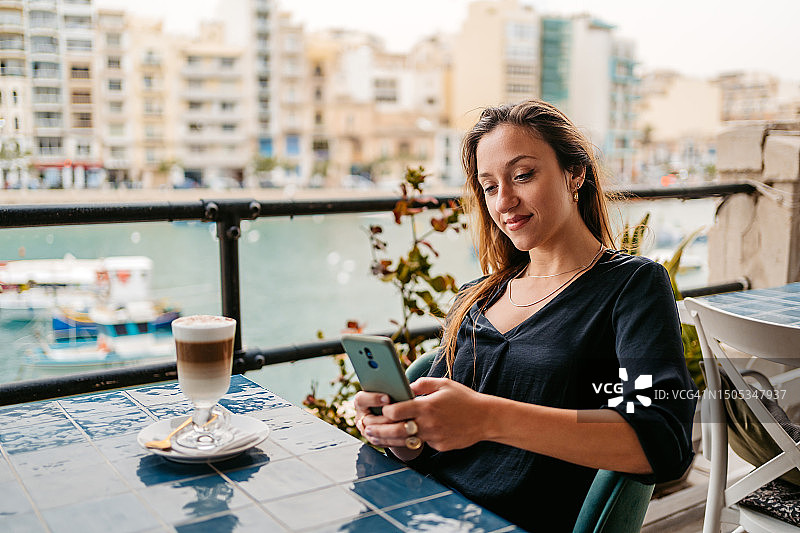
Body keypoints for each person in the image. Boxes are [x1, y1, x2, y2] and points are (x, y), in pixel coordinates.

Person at [354, 99, 697, 532]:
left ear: (576, 174)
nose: (505, 201)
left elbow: (663, 442)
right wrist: (399, 430)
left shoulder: (631, 286)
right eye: (490, 186)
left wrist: (486, 418)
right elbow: (425, 449)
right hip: (423, 514)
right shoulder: (477, 297)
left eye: (523, 175)